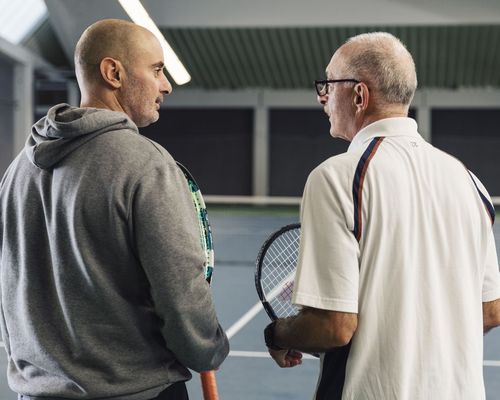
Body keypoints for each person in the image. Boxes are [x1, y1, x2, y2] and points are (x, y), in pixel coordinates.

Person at [263, 32, 500, 400]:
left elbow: (333, 327)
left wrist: (278, 334)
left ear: (359, 95)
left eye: (328, 84)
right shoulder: (472, 183)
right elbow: (490, 311)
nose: (322, 97)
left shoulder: (336, 177)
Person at [0, 19, 228, 400]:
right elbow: (181, 292)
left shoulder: (16, 171)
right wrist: (209, 349)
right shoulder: (147, 164)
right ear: (113, 73)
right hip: (139, 390)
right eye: (156, 70)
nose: (166, 85)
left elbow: (9, 290)